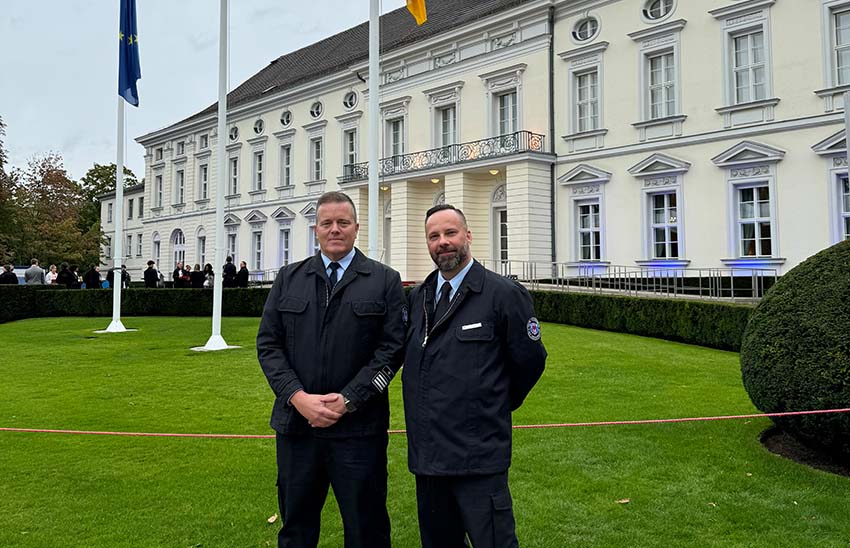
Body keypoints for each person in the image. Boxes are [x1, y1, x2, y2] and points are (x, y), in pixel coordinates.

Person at [257, 191, 405, 548]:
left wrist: (350, 399)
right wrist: (297, 397)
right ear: (316, 230)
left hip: (359, 432)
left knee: (366, 529)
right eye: (327, 223)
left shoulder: (384, 280)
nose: (334, 229)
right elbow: (268, 345)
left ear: (356, 228)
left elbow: (392, 350)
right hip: (297, 429)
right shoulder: (288, 278)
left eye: (343, 223)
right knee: (296, 530)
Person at [402, 204, 547, 548]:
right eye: (434, 236)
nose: (442, 242)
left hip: (478, 459)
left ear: (468, 236)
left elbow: (530, 361)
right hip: (429, 460)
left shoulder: (503, 294)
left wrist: (492, 403)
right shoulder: (420, 296)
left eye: (450, 233)